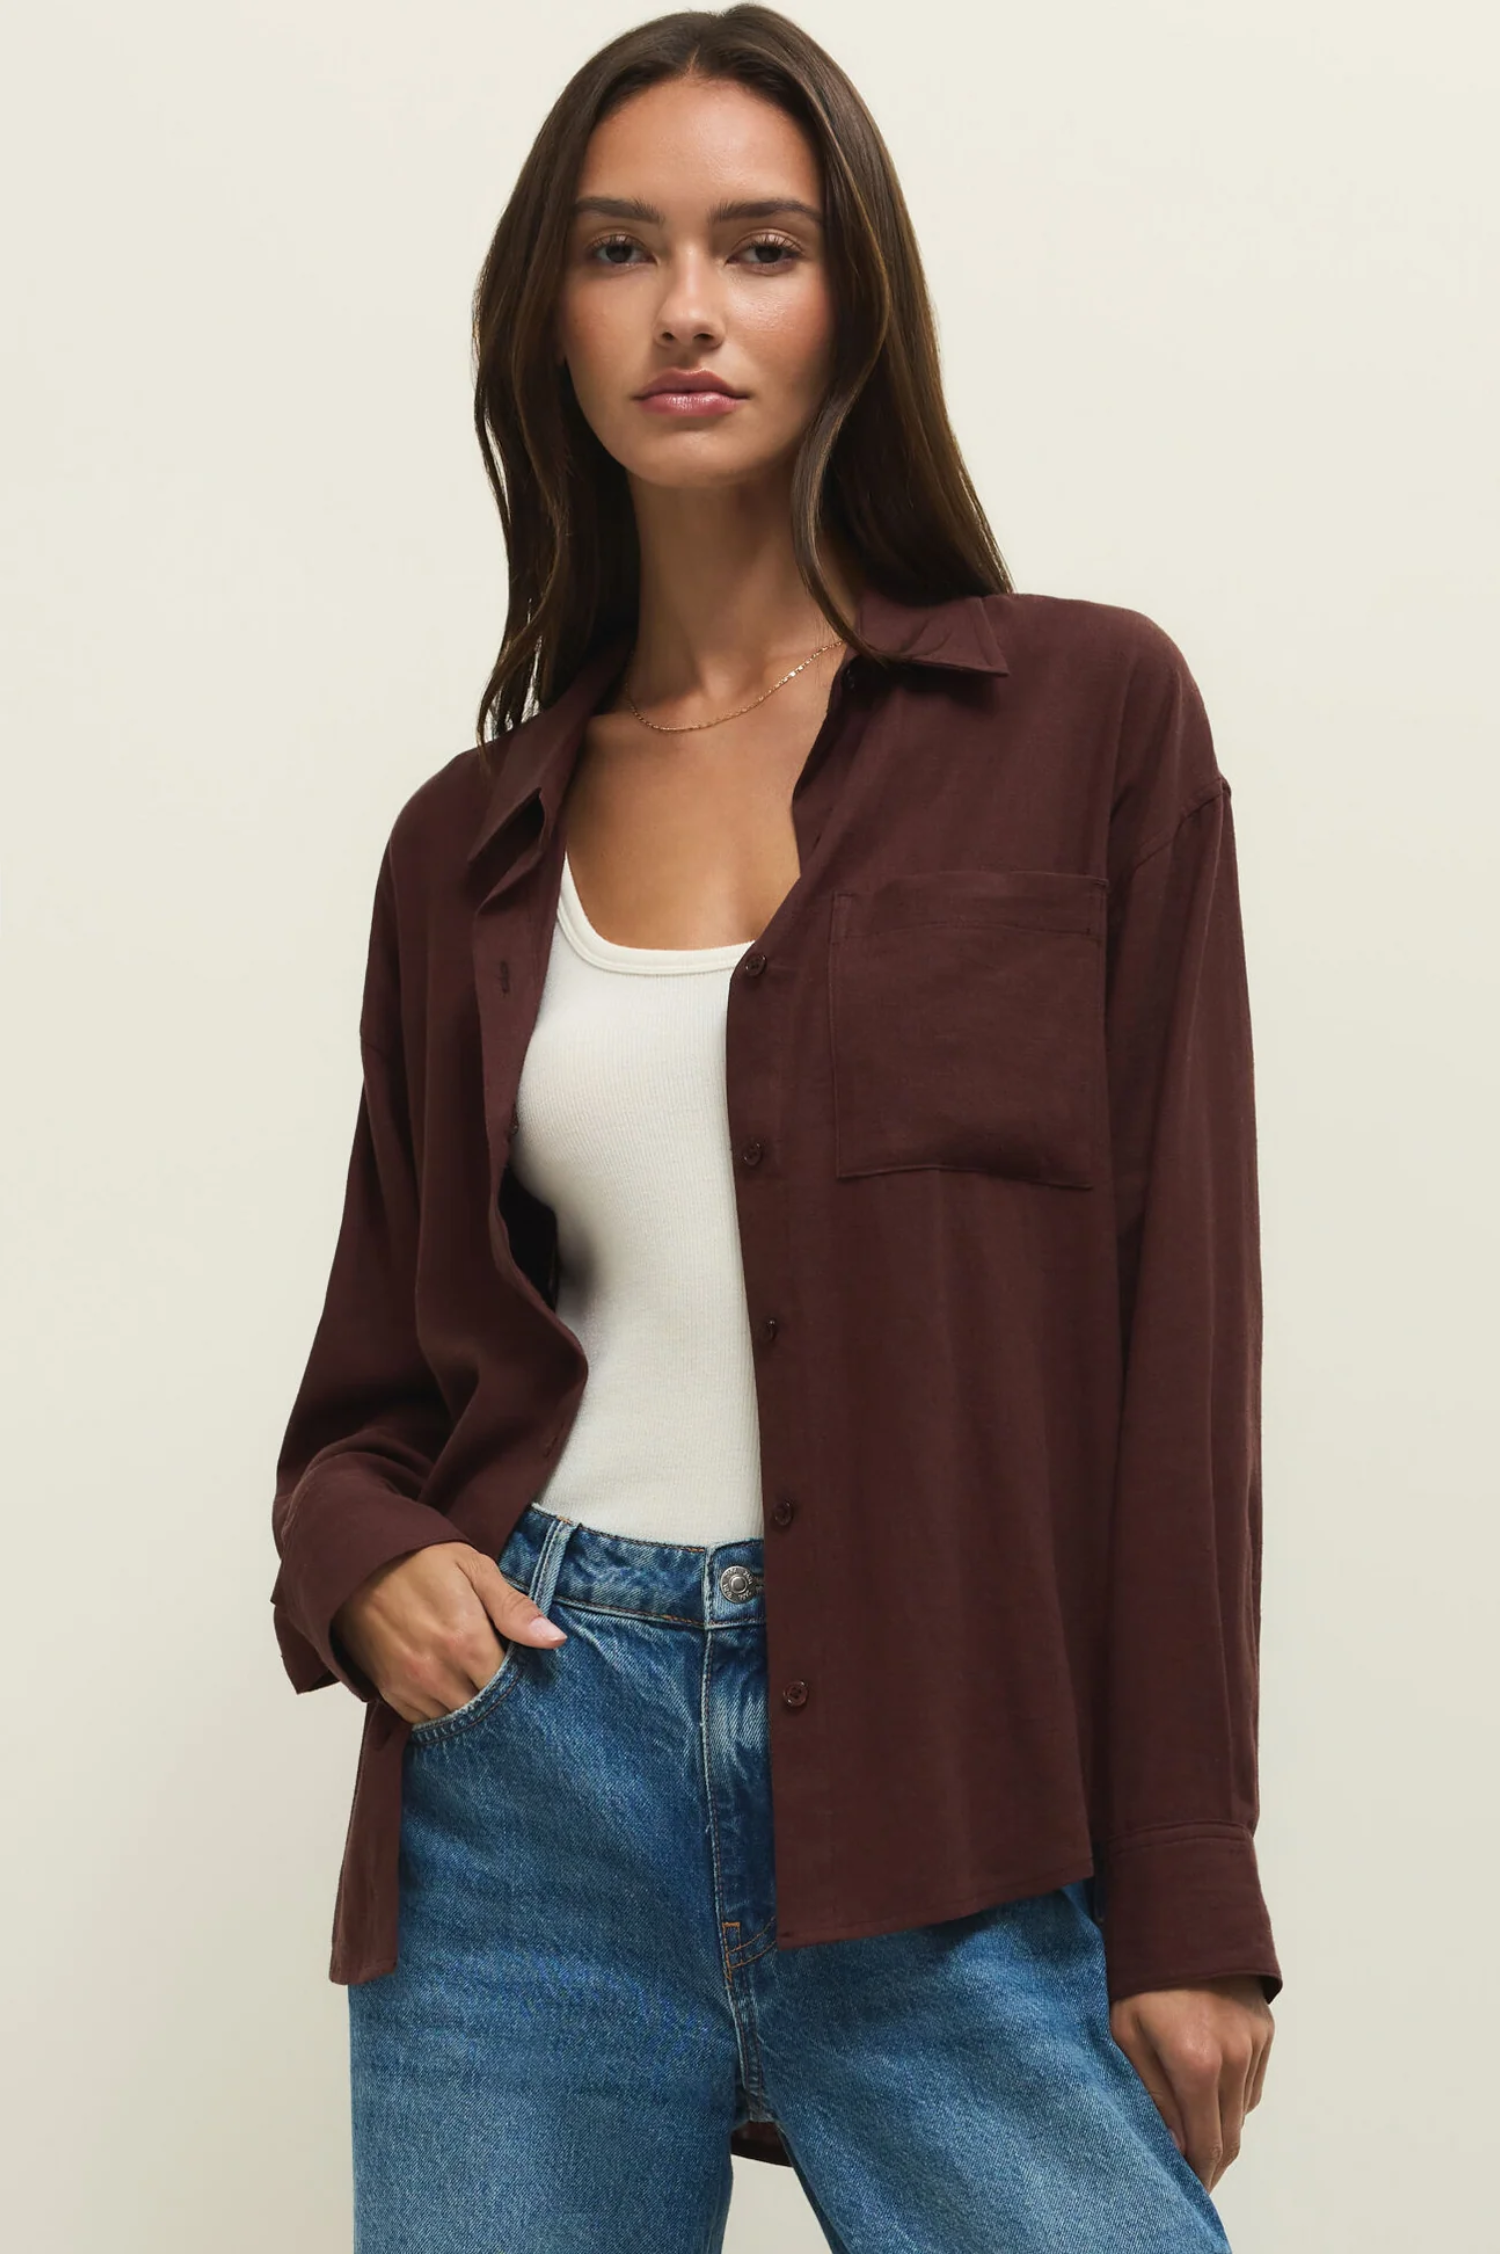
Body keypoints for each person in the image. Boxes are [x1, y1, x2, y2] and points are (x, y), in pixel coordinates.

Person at [268, 9, 1280, 2249]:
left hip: (950, 1800)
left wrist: (1190, 1887)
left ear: (855, 301)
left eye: (761, 246)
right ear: (552, 317)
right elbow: (364, 1406)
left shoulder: (1086, 719)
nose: (688, 310)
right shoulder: (466, 844)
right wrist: (363, 1559)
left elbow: (1182, 1336)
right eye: (620, 248)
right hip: (528, 1790)